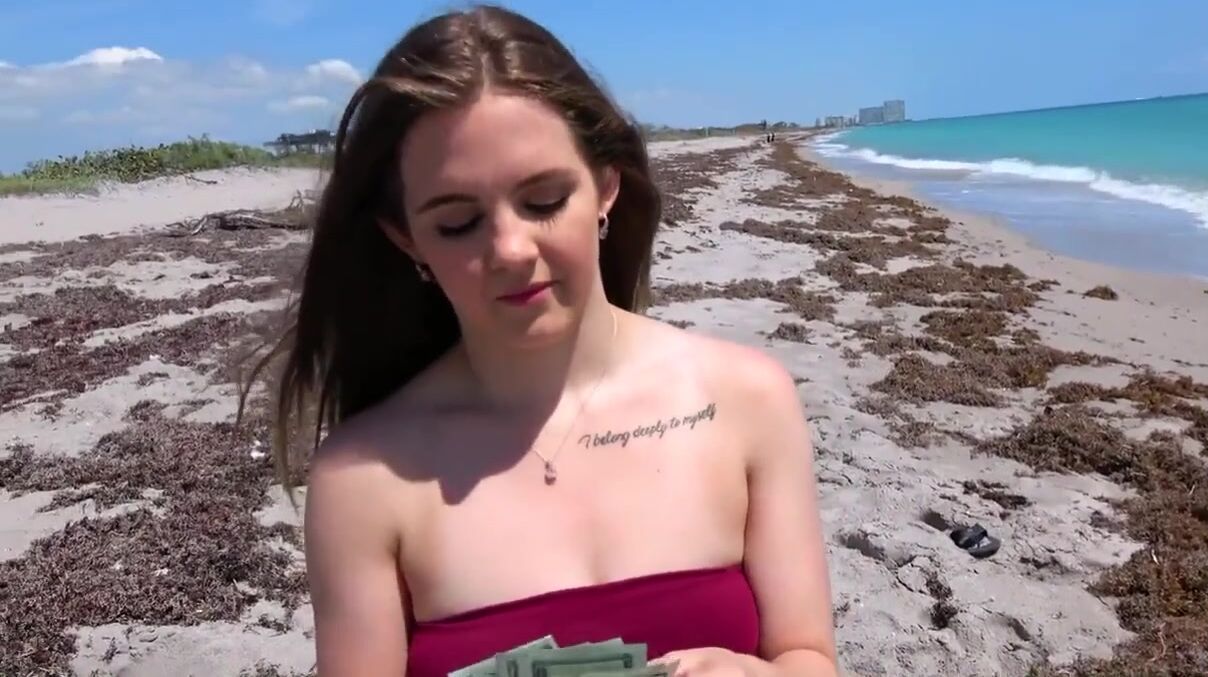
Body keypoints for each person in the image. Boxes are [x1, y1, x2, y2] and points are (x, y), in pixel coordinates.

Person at [243, 4, 838, 675]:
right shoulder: (364, 479)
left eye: (544, 201)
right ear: (406, 238)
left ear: (605, 187)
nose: (510, 249)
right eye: (459, 222)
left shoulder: (745, 400)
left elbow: (807, 654)